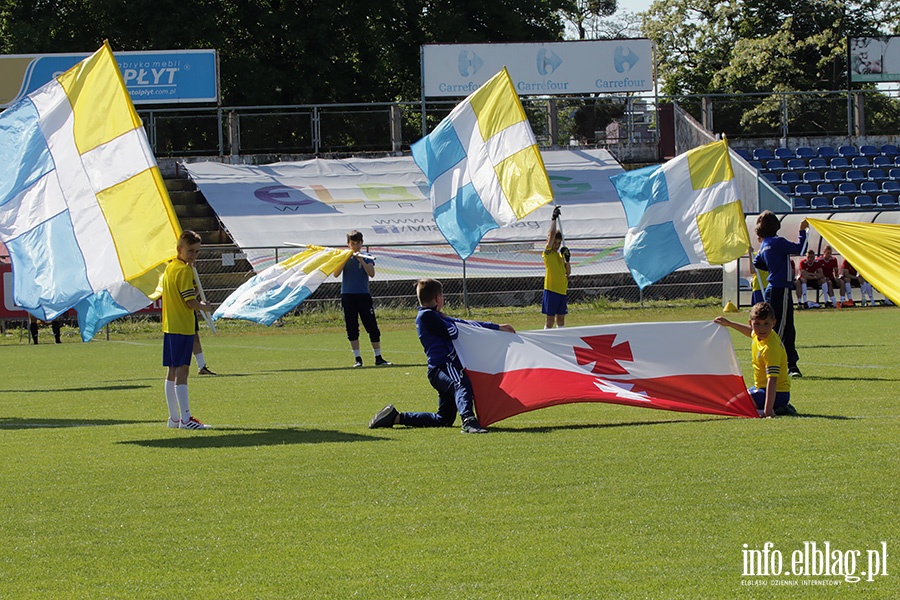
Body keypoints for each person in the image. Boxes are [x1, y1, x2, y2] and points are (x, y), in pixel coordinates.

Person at [368, 278, 515, 434]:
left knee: (443, 419)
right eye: (442, 295)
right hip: (442, 367)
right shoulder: (426, 316)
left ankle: (396, 417)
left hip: (439, 370)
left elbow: (463, 324)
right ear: (437, 298)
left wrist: (496, 327)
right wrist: (453, 324)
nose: (444, 298)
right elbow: (453, 331)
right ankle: (468, 421)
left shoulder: (435, 315)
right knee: (461, 383)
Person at [162, 230, 212, 430]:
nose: (193, 255)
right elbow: (190, 302)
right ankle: (186, 419)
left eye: (197, 252)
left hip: (170, 325)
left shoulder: (171, 268)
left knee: (172, 371)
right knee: (182, 370)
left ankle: (174, 418)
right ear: (179, 249)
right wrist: (204, 306)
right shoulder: (183, 270)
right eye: (190, 251)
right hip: (182, 326)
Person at [714, 302, 798, 417]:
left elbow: (772, 380)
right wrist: (729, 324)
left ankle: (770, 410)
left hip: (778, 393)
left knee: (731, 406)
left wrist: (768, 410)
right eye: (757, 324)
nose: (762, 329)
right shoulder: (760, 335)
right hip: (762, 389)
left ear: (774, 323)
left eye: (766, 324)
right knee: (732, 400)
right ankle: (778, 407)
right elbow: (750, 332)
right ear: (751, 323)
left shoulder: (770, 348)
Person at [753, 211, 808, 377]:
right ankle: (786, 365)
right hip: (781, 288)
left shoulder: (765, 245)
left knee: (781, 326)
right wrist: (802, 230)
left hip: (773, 288)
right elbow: (801, 249)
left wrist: (772, 267)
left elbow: (757, 263)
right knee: (783, 328)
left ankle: (783, 363)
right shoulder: (778, 242)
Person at [332, 230, 391, 367]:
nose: (356, 246)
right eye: (353, 243)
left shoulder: (367, 256)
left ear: (362, 243)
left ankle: (378, 357)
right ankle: (358, 359)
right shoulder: (344, 256)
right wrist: (344, 259)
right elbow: (335, 274)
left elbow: (372, 274)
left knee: (372, 327)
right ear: (348, 244)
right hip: (348, 295)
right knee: (352, 327)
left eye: (358, 243)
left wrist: (361, 260)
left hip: (363, 295)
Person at [542, 206, 570, 329]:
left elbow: (568, 273)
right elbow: (552, 234)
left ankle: (561, 339)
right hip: (551, 290)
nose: (557, 245)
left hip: (562, 291)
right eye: (555, 242)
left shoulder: (559, 256)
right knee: (550, 320)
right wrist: (553, 219)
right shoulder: (548, 254)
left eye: (559, 243)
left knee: (561, 318)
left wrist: (567, 260)